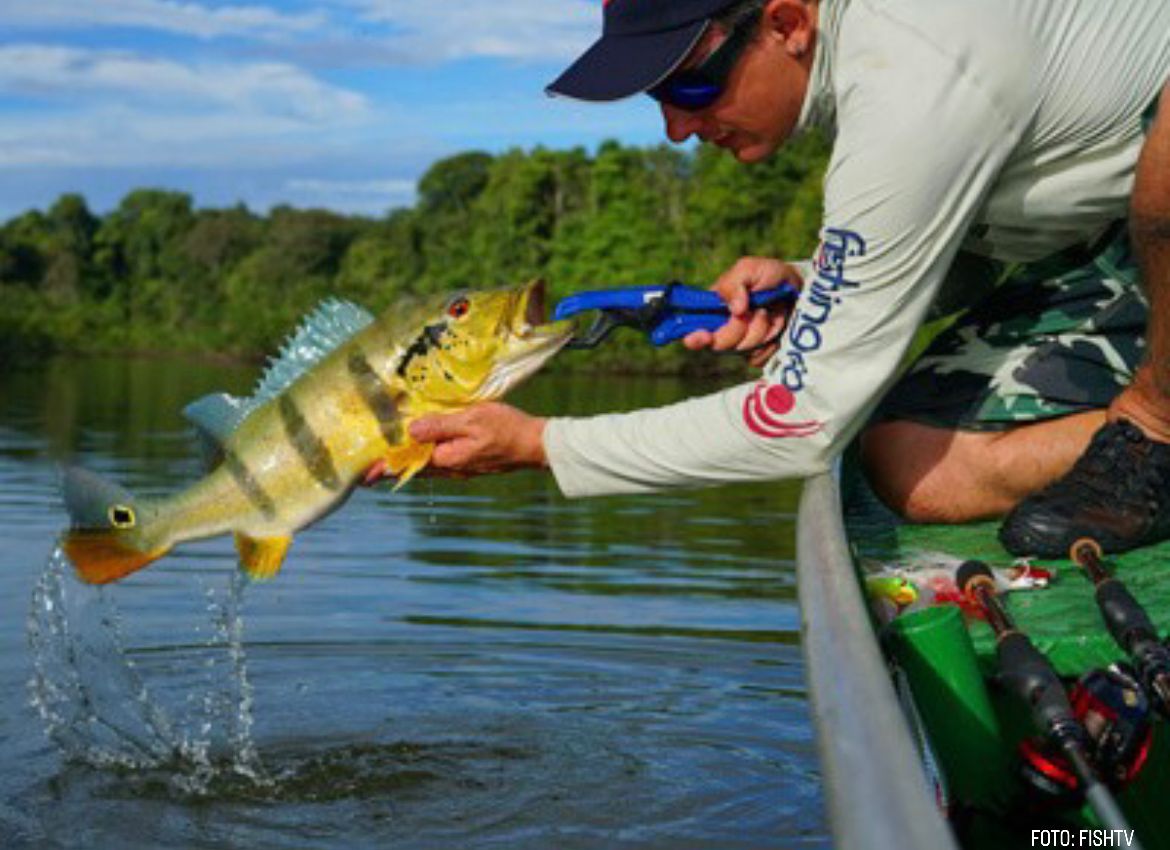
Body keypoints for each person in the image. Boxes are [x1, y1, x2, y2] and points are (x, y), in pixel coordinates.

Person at [400, 0, 1170, 558]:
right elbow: (971, 251)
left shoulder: (906, 86)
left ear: (785, 22)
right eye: (655, 97)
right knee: (909, 462)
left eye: (689, 86)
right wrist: (815, 284)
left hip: (1140, 215)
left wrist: (543, 444)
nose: (676, 126)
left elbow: (800, 424)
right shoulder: (871, 52)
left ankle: (1156, 428)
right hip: (1111, 227)